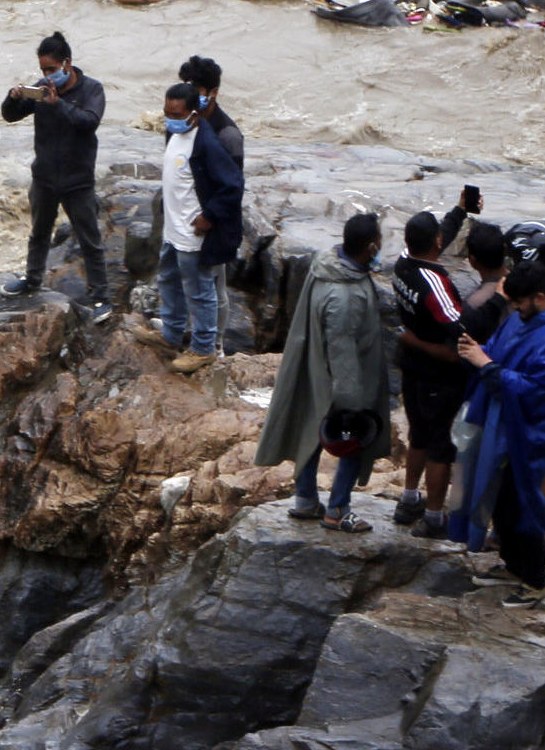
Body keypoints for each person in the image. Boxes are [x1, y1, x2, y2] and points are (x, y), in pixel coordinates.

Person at [254, 213, 394, 532]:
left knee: (309, 427)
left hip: (313, 368)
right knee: (352, 439)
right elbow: (343, 354)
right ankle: (338, 510)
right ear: (371, 247)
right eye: (380, 241)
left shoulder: (326, 265)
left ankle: (305, 500)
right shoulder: (345, 295)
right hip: (343, 381)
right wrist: (352, 406)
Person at [450, 260, 545, 604]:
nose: (517, 308)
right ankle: (511, 564)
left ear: (539, 296)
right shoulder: (522, 319)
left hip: (529, 430)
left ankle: (535, 579)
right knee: (499, 498)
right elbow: (493, 351)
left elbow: (537, 389)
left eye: (520, 302)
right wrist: (474, 353)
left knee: (521, 502)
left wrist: (485, 364)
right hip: (502, 421)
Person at [143, 81, 243, 373]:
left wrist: (209, 216)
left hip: (193, 235)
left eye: (175, 114)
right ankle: (171, 334)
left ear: (194, 114)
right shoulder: (175, 134)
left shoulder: (207, 143)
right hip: (173, 231)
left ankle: (203, 348)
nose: (169, 119)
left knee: (200, 290)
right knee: (169, 280)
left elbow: (233, 184)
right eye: (166, 112)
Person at [3, 33, 110, 305]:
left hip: (78, 180)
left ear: (67, 63)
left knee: (90, 240)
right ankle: (32, 280)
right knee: (39, 233)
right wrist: (13, 98)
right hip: (45, 177)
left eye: (51, 69)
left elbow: (89, 122)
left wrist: (58, 104)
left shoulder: (92, 90)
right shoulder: (42, 89)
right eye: (43, 70)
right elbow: (10, 116)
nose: (47, 75)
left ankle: (100, 296)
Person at [386, 209, 470, 535]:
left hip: (411, 368)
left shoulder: (403, 263)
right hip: (439, 374)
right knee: (440, 447)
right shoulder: (435, 285)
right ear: (435, 242)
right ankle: (434, 516)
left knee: (417, 433)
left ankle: (409, 499)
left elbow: (434, 239)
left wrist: (459, 212)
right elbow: (460, 326)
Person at [178, 54, 243, 169]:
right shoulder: (181, 123)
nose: (188, 94)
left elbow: (233, 182)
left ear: (214, 92)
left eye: (196, 89)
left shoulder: (228, 136)